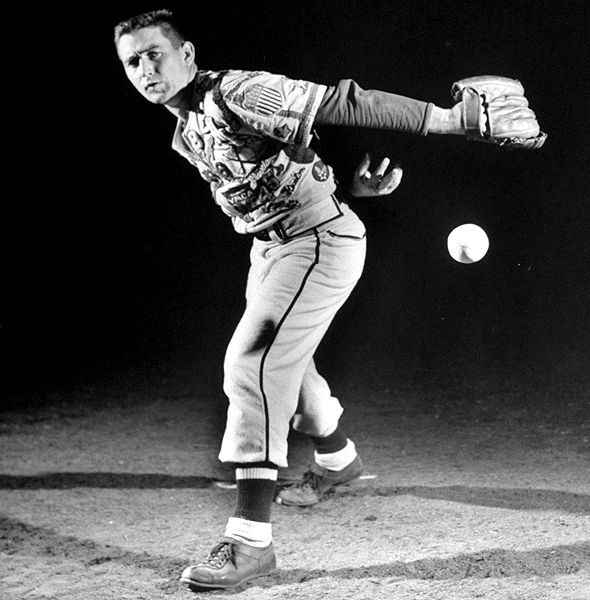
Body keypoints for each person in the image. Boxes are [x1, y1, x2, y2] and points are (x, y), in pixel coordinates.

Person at [113, 8, 541, 590]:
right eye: (132, 61)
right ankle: (338, 461)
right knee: (289, 364)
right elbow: (285, 169)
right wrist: (345, 188)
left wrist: (447, 119)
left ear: (186, 55)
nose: (145, 69)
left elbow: (344, 102)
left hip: (318, 243)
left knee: (254, 364)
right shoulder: (186, 128)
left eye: (154, 54)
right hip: (273, 248)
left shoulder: (237, 91)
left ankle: (249, 542)